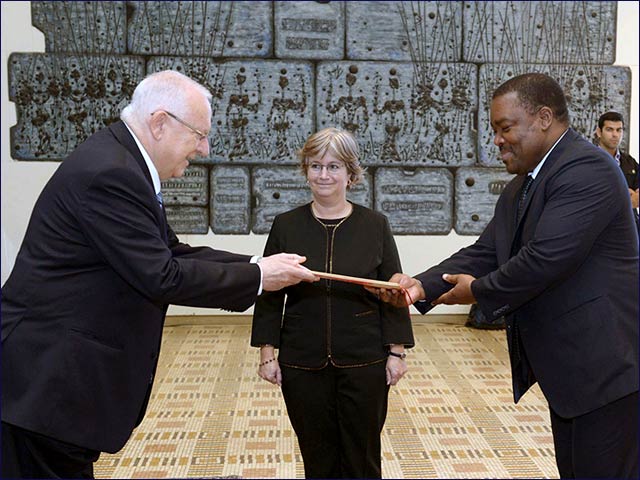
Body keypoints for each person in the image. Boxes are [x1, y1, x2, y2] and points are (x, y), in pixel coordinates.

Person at [1, 70, 318, 479]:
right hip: (45, 384)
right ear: (160, 122)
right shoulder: (110, 173)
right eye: (198, 134)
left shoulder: (122, 162)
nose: (203, 147)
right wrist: (260, 278)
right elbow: (162, 275)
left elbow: (171, 251)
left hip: (53, 383)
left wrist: (259, 264)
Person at [373, 73, 639, 478]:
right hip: (574, 377)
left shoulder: (588, 169)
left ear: (544, 117)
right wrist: (418, 286)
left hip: (609, 372)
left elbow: (545, 258)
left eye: (505, 128)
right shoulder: (524, 185)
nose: (497, 140)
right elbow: (485, 252)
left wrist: (476, 292)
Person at [251, 127, 414, 479]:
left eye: (334, 166)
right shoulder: (285, 225)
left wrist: (397, 352)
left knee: (362, 456)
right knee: (316, 456)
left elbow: (394, 293)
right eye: (315, 166)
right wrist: (267, 353)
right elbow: (269, 294)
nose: (323, 175)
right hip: (302, 362)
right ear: (305, 171)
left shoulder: (375, 225)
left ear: (351, 174)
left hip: (364, 362)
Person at [595, 111, 639, 222]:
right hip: (599, 226)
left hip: (629, 226)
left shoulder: (630, 162)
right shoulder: (588, 160)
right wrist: (627, 196)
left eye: (619, 130)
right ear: (599, 132)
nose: (615, 135)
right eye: (609, 129)